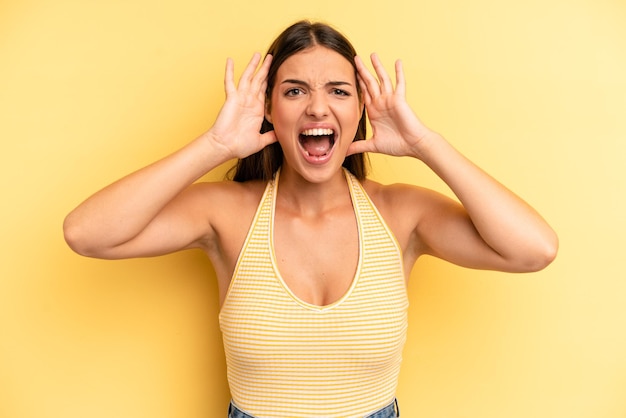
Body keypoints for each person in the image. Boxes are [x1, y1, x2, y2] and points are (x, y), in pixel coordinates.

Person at [63, 20, 558, 418]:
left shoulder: (400, 213)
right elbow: (86, 233)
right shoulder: (226, 213)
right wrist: (214, 146)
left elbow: (534, 249)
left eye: (339, 92)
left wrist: (424, 144)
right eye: (295, 91)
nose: (318, 106)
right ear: (269, 110)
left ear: (360, 110)